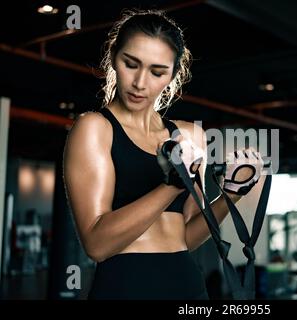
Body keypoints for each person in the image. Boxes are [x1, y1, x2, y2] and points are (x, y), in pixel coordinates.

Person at [63, 8, 263, 300]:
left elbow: (186, 236)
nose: (141, 83)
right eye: (131, 64)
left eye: (158, 72)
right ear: (113, 57)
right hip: (125, 287)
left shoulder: (190, 135)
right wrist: (171, 187)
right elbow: (97, 244)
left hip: (188, 287)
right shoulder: (94, 128)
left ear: (173, 74)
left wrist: (232, 195)